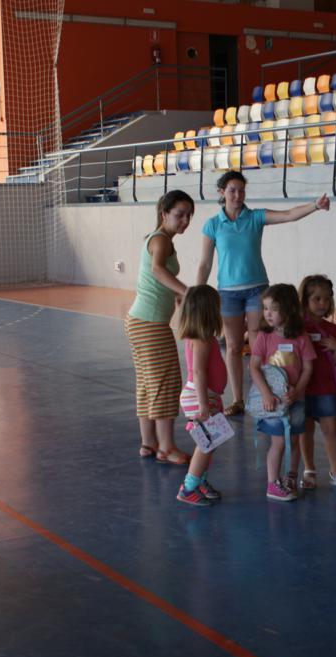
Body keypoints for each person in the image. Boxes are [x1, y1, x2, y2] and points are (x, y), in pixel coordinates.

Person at [196, 171, 330, 417]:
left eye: (241, 190)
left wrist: (315, 205)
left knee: (260, 343)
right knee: (234, 346)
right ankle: (238, 399)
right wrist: (197, 293)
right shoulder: (213, 224)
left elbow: (288, 215)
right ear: (222, 192)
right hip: (228, 293)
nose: (238, 195)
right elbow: (204, 263)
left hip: (257, 290)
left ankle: (268, 391)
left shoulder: (255, 217)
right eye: (232, 190)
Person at [125, 190, 194, 466]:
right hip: (149, 324)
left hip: (139, 320)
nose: (185, 220)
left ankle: (149, 443)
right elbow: (157, 270)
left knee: (147, 382)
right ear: (164, 214)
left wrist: (178, 297)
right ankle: (166, 447)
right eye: (180, 215)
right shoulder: (161, 240)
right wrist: (187, 292)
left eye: (189, 216)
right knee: (165, 382)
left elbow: (160, 280)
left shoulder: (160, 239)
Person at [250, 284, 317, 501]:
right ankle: (272, 484)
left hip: (295, 400)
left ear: (288, 310)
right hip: (273, 402)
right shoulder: (264, 336)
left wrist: (298, 391)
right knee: (278, 442)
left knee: (294, 440)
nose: (267, 313)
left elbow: (308, 368)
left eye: (274, 309)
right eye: (265, 308)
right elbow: (254, 367)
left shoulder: (301, 337)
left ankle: (290, 477)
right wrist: (266, 394)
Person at [298, 275, 336, 490]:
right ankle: (309, 469)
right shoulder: (298, 327)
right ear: (305, 300)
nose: (322, 303)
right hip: (303, 387)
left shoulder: (332, 329)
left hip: (326, 386)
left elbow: (335, 362)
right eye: (317, 299)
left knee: (330, 429)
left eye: (326, 299)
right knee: (305, 430)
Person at [175, 285, 227, 506]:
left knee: (210, 442)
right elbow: (198, 371)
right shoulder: (203, 339)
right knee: (207, 443)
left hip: (204, 396)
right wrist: (204, 404)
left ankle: (200, 481)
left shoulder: (201, 337)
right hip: (200, 396)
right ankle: (188, 488)